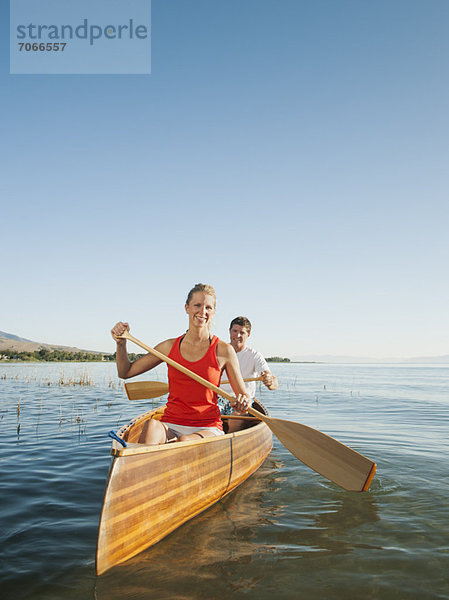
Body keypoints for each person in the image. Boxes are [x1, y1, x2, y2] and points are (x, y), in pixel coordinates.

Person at [111, 283, 251, 444]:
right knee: (151, 426)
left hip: (207, 427)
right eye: (197, 305)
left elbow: (243, 395)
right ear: (187, 308)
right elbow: (125, 372)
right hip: (171, 423)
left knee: (185, 440)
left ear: (213, 312)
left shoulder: (224, 350)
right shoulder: (169, 347)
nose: (202, 312)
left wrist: (243, 403)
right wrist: (121, 344)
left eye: (208, 308)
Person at [219, 316, 278, 429]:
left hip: (242, 400)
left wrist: (269, 381)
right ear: (229, 331)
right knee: (203, 415)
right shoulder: (220, 351)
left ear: (248, 335)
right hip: (219, 398)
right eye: (234, 331)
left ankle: (229, 443)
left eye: (242, 332)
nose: (237, 335)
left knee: (236, 418)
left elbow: (274, 383)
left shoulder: (254, 355)